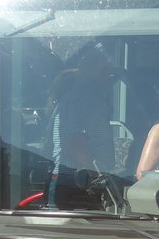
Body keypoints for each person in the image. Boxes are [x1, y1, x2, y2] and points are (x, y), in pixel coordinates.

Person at [47, 46, 117, 207]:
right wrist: (103, 177)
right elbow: (74, 146)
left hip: (76, 180)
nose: (111, 76)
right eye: (106, 71)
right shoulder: (85, 99)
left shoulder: (80, 96)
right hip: (77, 184)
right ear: (92, 71)